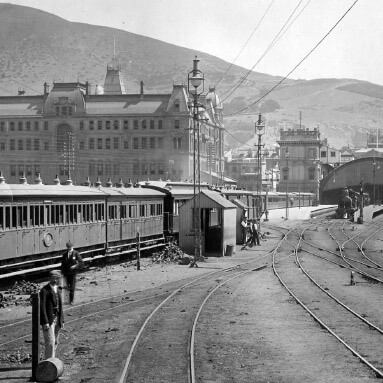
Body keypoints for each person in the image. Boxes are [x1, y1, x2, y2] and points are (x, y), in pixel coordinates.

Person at [40, 270, 64, 360]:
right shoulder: (44, 290)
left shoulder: (58, 289)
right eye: (53, 278)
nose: (54, 280)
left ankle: (52, 361)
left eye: (56, 278)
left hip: (57, 318)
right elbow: (42, 307)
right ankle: (49, 362)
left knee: (56, 341)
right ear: (49, 278)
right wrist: (45, 321)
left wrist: (62, 320)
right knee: (50, 341)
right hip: (49, 319)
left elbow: (61, 305)